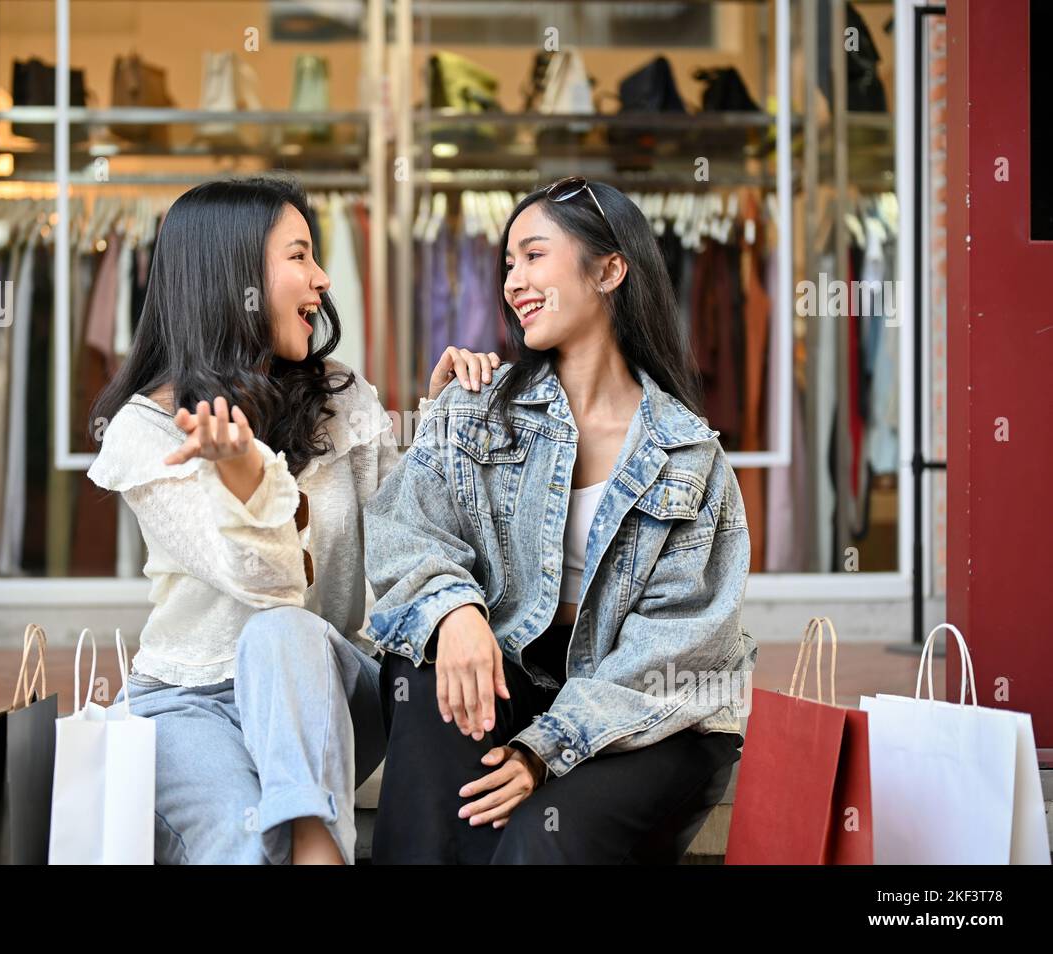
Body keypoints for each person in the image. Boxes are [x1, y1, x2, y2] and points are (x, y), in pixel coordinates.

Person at [86, 174, 500, 864]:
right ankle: (317, 851)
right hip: (191, 702)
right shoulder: (147, 431)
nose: (324, 277)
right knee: (243, 842)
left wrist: (441, 426)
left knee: (284, 637)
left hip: (327, 692)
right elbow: (269, 583)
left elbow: (407, 538)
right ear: (234, 273)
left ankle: (314, 848)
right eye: (300, 256)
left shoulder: (341, 396)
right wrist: (245, 477)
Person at [364, 176, 757, 864]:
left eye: (534, 255)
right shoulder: (475, 405)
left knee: (537, 841)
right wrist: (455, 611)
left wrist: (545, 747)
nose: (514, 280)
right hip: (512, 676)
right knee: (428, 676)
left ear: (609, 269)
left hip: (643, 715)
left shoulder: (689, 456)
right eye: (508, 263)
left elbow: (677, 650)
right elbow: (406, 532)